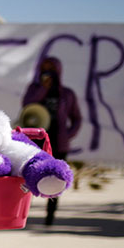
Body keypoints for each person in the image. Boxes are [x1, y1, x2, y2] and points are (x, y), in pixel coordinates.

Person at [22, 56, 82, 226]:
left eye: (51, 68)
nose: (47, 72)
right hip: (36, 142)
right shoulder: (34, 89)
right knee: (28, 176)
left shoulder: (67, 94)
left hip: (58, 142)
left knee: (57, 179)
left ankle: (50, 217)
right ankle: (23, 213)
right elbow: (26, 105)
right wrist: (43, 88)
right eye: (44, 68)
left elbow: (77, 118)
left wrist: (68, 134)